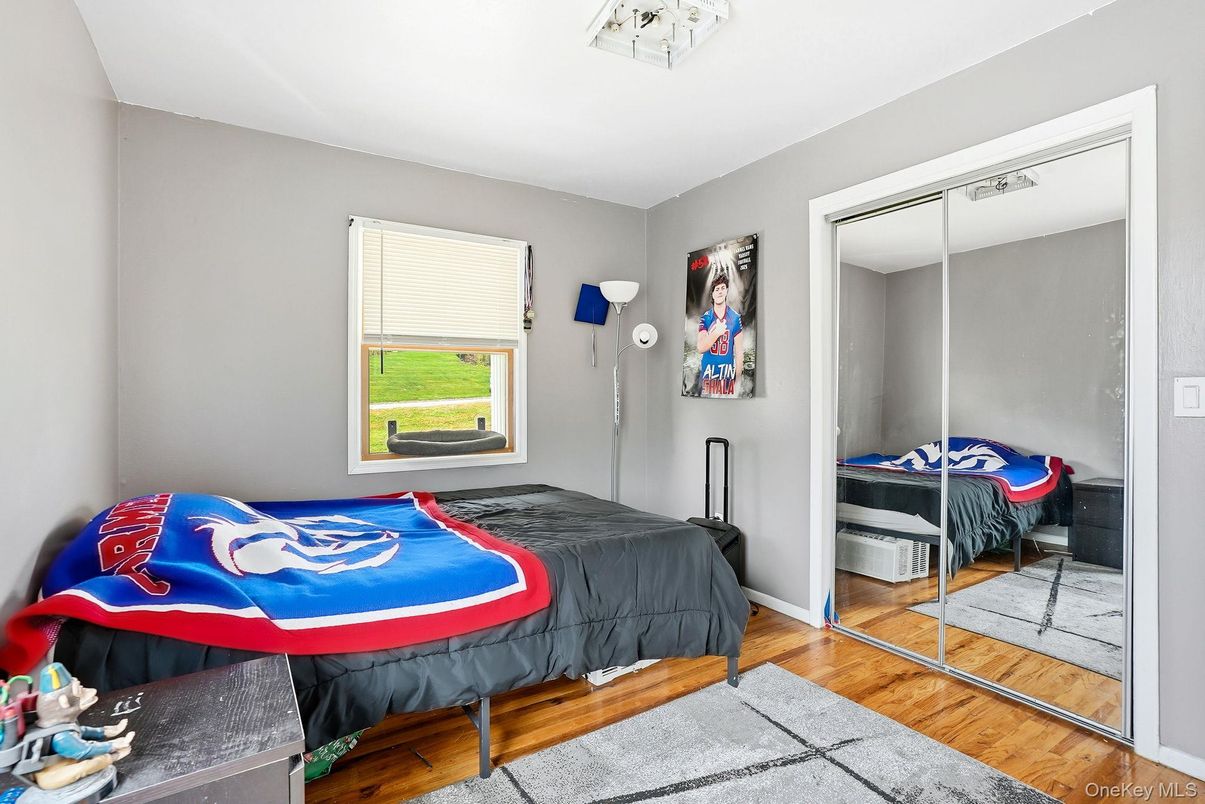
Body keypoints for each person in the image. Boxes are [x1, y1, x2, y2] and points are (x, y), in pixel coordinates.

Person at [695, 273, 744, 397]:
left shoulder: (735, 318)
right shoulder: (706, 318)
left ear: (727, 290)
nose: (720, 292)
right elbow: (700, 347)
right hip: (707, 377)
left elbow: (739, 353)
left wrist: (737, 381)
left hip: (726, 376)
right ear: (712, 293)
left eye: (723, 288)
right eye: (717, 289)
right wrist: (716, 333)